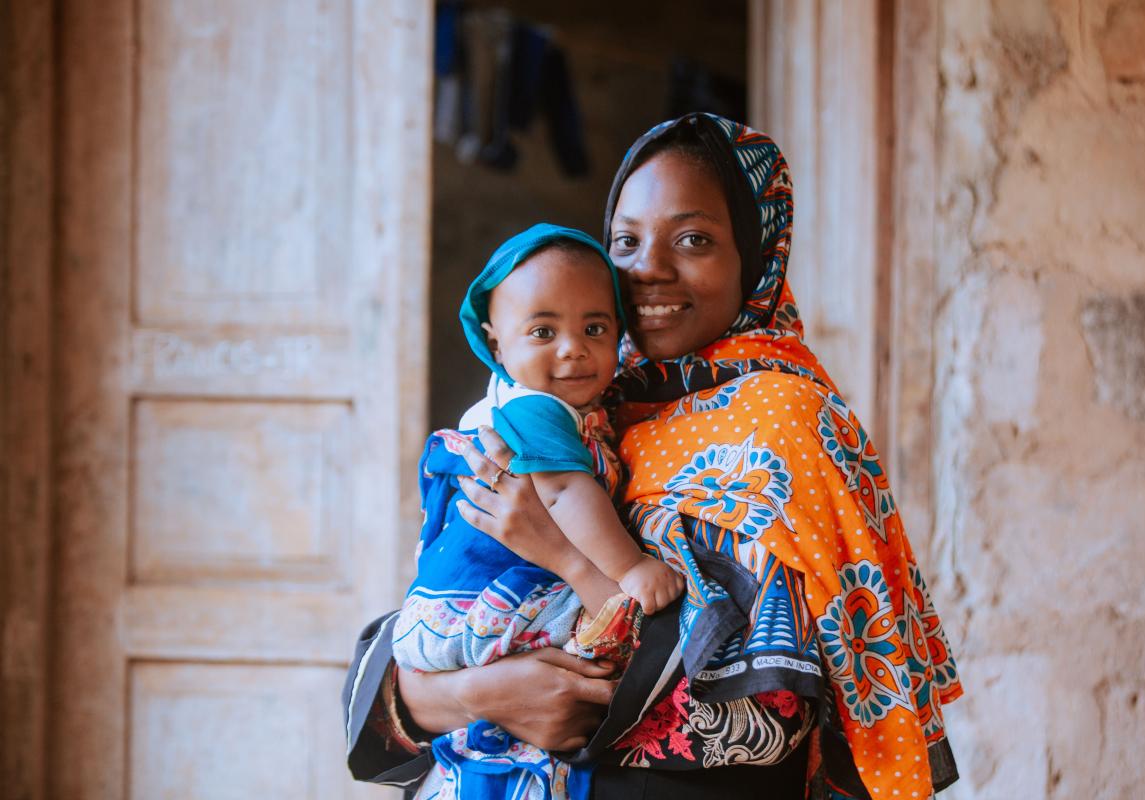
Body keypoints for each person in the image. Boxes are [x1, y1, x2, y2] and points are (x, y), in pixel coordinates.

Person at [344, 114, 963, 800]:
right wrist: (473, 692)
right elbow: (416, 644)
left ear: (757, 256)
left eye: (694, 239)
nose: (650, 269)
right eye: (627, 241)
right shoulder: (578, 406)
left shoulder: (785, 422)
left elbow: (759, 716)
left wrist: (569, 565)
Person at [391, 224, 683, 799]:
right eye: (543, 331)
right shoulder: (536, 411)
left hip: (451, 627)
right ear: (495, 341)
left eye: (594, 328)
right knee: (600, 656)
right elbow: (563, 496)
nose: (573, 348)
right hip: (486, 604)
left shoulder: (554, 404)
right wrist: (630, 569)